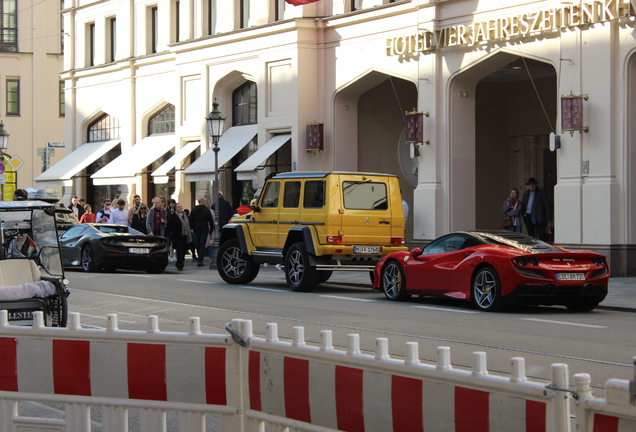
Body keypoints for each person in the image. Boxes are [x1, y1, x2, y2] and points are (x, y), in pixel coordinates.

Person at [165, 203, 192, 271]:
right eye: (179, 207)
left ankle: (180, 262)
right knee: (179, 251)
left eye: (181, 207)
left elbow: (188, 224)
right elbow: (169, 225)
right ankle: (180, 265)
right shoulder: (174, 216)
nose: (180, 208)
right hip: (177, 236)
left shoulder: (185, 215)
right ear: (176, 208)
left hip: (185, 235)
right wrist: (166, 235)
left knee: (183, 250)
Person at [189, 198, 215, 267]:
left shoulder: (194, 209)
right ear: (203, 202)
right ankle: (200, 259)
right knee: (202, 244)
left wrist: (191, 228)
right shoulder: (206, 210)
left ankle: (199, 258)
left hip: (196, 229)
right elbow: (211, 221)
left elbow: (191, 219)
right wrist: (211, 230)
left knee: (197, 244)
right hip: (204, 229)